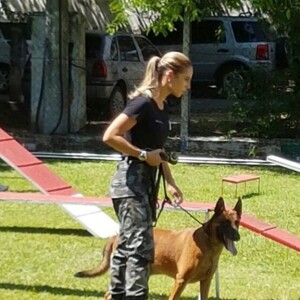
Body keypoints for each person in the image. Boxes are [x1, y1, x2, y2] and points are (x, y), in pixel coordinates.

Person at [102, 51, 193, 300]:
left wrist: (171, 182)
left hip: (144, 185)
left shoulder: (161, 108)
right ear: (169, 76)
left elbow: (159, 153)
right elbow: (110, 135)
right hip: (130, 184)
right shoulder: (142, 103)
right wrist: (142, 155)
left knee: (126, 248)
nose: (188, 86)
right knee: (140, 251)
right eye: (185, 80)